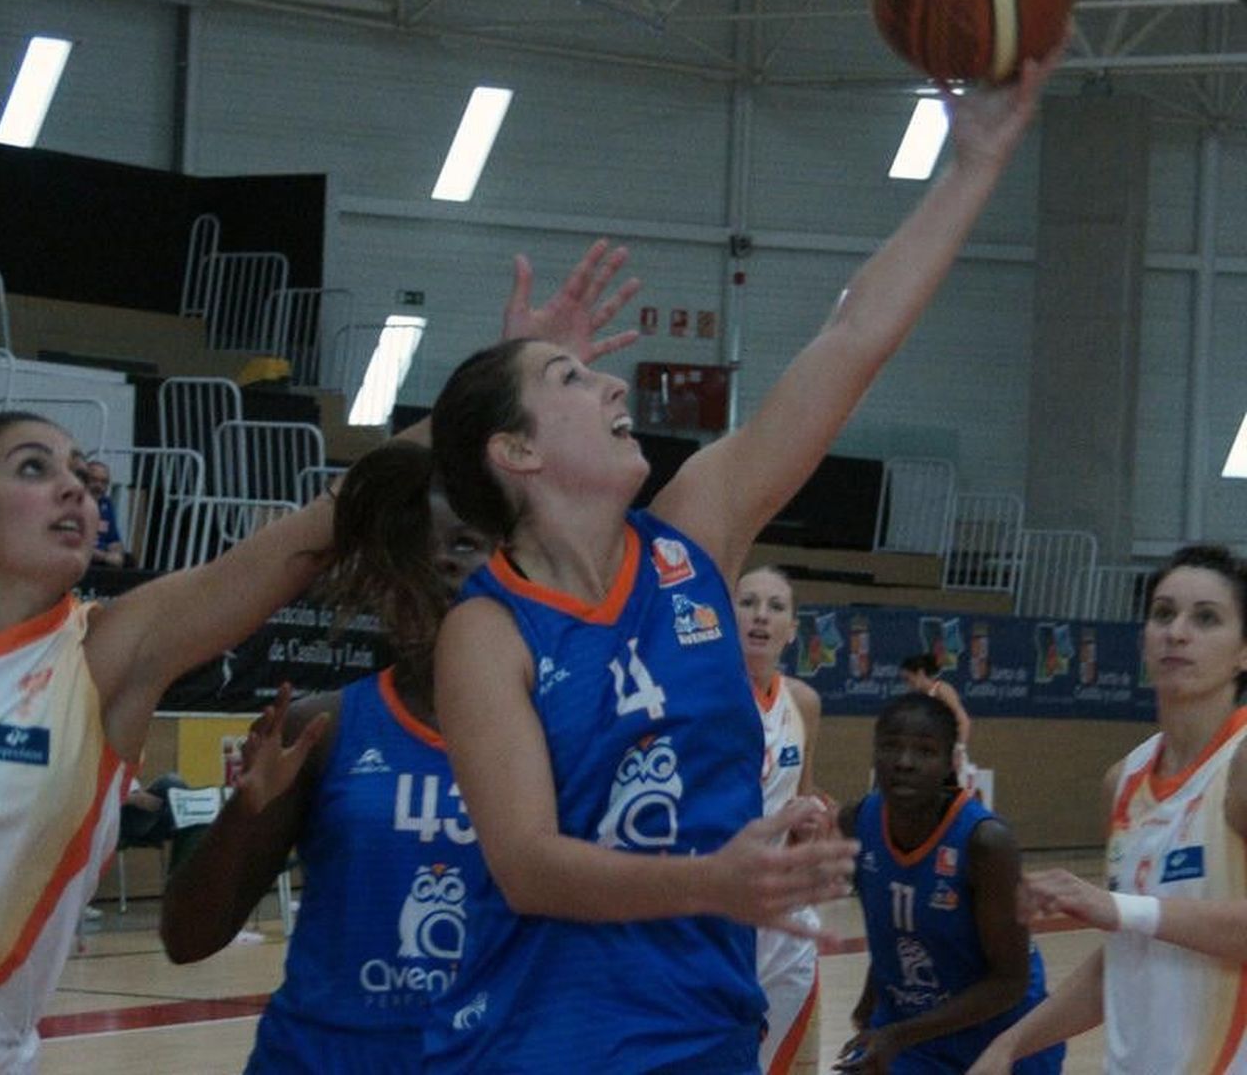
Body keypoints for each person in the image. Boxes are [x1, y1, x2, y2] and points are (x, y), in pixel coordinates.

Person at [0, 250, 630, 1070]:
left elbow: (326, 519)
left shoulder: (111, 653)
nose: (75, 488)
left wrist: (502, 386)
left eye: (83, 473)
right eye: (34, 469)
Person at [422, 58, 1055, 1072]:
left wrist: (974, 163)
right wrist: (716, 880)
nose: (611, 380)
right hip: (548, 1037)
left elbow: (851, 342)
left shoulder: (688, 545)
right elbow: (528, 865)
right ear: (519, 452)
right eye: (570, 377)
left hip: (710, 1024)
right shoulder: (486, 628)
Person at [162, 442, 498, 1073]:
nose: (438, 564)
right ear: (384, 581)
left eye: (462, 544)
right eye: (414, 549)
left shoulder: (557, 731)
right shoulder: (322, 727)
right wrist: (244, 811)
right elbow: (187, 939)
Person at [969, 544, 1247, 1075]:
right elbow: (1126, 960)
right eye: (1163, 614)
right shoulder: (1123, 780)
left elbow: (1132, 918)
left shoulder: (1240, 763)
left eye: (1206, 618)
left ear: (1244, 652)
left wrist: (1120, 908)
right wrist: (1011, 1043)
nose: (1177, 631)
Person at [835, 694, 1062, 1075]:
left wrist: (897, 1034)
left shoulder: (985, 842)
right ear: (874, 754)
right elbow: (894, 929)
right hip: (915, 1036)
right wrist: (870, 1004)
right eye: (891, 747)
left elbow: (1010, 982)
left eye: (924, 751)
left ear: (949, 764)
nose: (904, 763)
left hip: (1004, 1036)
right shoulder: (857, 822)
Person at [736, 564, 824, 1075]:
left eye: (775, 607)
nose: (761, 616)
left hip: (780, 917)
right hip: (713, 906)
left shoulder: (804, 704)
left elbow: (803, 801)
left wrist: (811, 823)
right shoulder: (704, 696)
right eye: (748, 602)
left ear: (792, 629)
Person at [901, 653, 973, 773]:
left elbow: (964, 721)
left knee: (952, 790)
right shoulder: (919, 698)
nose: (907, 684)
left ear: (920, 673)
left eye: (908, 679)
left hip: (950, 755)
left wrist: (959, 751)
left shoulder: (942, 690)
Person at [86, 459, 126, 568]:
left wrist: (117, 553)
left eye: (104, 482)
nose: (99, 486)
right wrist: (105, 557)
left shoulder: (106, 504)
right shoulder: (72, 504)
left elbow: (114, 541)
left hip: (102, 558)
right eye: (94, 480)